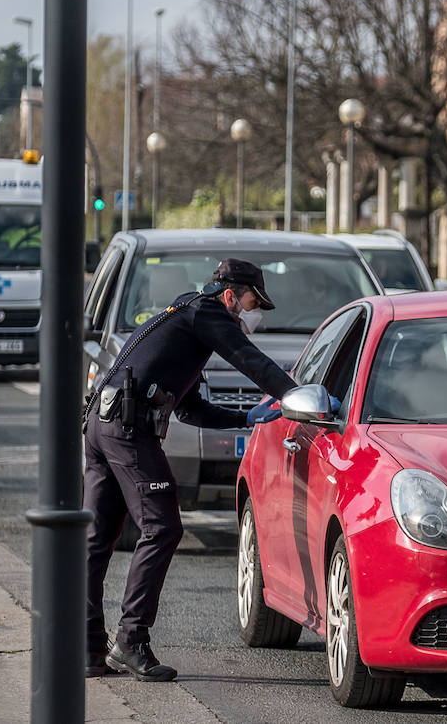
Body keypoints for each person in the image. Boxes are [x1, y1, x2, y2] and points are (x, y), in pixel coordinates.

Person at [83, 258, 299, 681]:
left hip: (101, 424)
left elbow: (190, 408)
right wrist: (296, 394)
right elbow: (250, 361)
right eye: (253, 302)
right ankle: (131, 641)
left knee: (97, 540)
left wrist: (246, 417)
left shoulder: (187, 315)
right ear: (231, 294)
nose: (253, 314)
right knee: (162, 527)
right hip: (127, 429)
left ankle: (88, 649)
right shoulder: (209, 311)